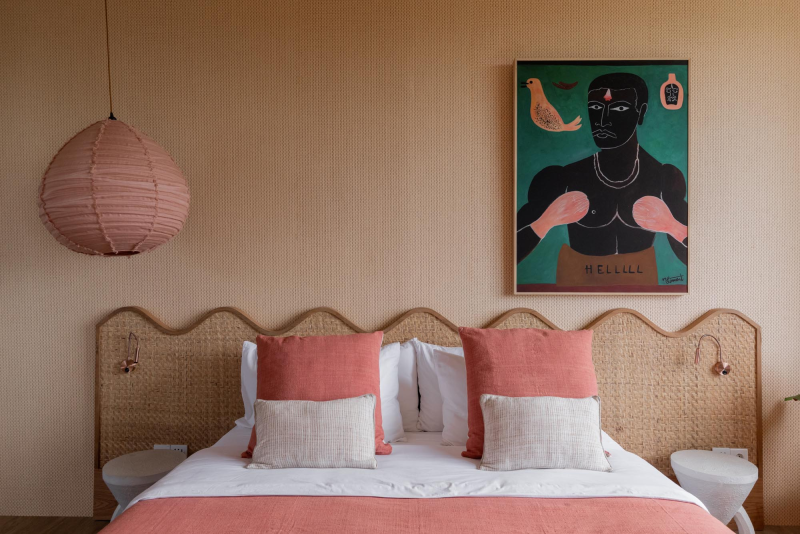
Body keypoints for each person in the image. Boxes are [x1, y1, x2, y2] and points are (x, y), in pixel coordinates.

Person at [516, 73, 687, 287]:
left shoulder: (664, 177)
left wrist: (673, 226)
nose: (603, 120)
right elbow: (510, 255)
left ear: (641, 113)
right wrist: (546, 222)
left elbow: (696, 263)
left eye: (620, 109)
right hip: (573, 296)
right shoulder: (562, 177)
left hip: (643, 297)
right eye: (596, 108)